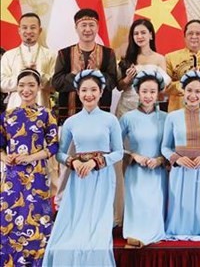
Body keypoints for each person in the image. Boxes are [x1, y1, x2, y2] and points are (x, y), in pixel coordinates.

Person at [43, 70, 123, 267]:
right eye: (84, 90)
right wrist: (75, 162)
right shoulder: (71, 122)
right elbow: (60, 154)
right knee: (71, 231)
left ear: (101, 91)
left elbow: (119, 152)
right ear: (78, 92)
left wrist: (95, 162)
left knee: (97, 236)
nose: (89, 94)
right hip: (79, 179)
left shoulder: (110, 120)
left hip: (102, 178)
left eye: (94, 90)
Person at [0, 69, 59, 267]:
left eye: (31, 85)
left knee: (37, 218)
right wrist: (5, 157)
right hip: (12, 177)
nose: (26, 90)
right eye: (22, 85)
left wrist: (30, 158)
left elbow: (53, 146)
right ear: (17, 88)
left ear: (39, 87)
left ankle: (38, 263)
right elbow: (0, 146)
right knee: (10, 220)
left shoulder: (46, 115)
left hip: (38, 175)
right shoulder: (7, 116)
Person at [161, 70, 200, 240]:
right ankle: (177, 229)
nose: (193, 95)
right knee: (179, 205)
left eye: (197, 91)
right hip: (180, 170)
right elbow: (165, 148)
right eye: (189, 90)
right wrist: (178, 159)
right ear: (183, 91)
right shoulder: (172, 117)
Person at [119, 70, 168, 248]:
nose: (148, 96)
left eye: (152, 92)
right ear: (138, 92)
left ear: (158, 94)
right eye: (144, 91)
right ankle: (135, 234)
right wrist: (134, 155)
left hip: (158, 172)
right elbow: (115, 147)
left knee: (154, 205)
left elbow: (171, 147)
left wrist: (160, 160)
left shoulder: (166, 118)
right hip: (136, 171)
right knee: (137, 203)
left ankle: (151, 234)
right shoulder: (127, 118)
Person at [52, 9, 118, 123]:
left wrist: (97, 75)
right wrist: (78, 76)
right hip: (70, 116)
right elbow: (56, 83)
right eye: (83, 25)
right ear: (76, 28)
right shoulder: (64, 53)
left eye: (91, 25)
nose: (87, 29)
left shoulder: (108, 53)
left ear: (97, 27)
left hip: (100, 115)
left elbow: (112, 82)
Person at [116, 18, 170, 118]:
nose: (139, 36)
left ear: (150, 35)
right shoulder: (126, 57)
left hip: (150, 106)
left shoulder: (160, 58)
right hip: (126, 107)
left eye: (143, 32)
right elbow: (119, 87)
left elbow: (163, 87)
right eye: (136, 34)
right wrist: (128, 79)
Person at [1, 13, 56, 110]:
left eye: (33, 27)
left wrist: (39, 75)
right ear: (19, 30)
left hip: (42, 109)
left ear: (40, 30)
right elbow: (2, 85)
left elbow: (55, 85)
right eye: (24, 27)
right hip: (14, 110)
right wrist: (21, 76)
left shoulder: (50, 55)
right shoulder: (8, 55)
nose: (29, 31)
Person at [165, 19, 200, 112]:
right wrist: (186, 79)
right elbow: (166, 87)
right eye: (190, 33)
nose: (194, 36)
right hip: (177, 111)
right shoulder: (170, 57)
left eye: (198, 34)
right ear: (185, 36)